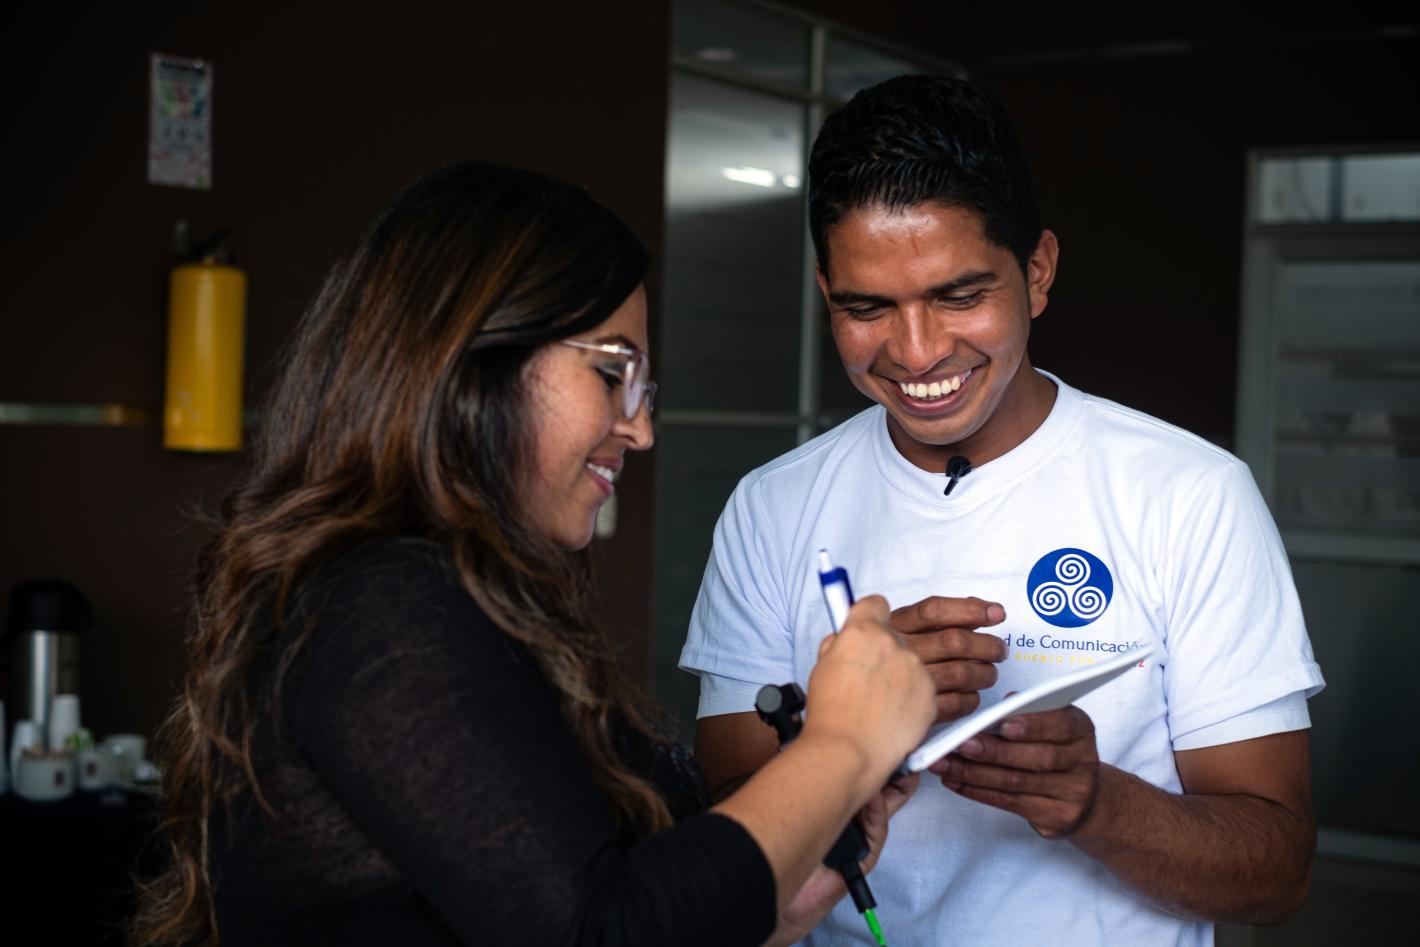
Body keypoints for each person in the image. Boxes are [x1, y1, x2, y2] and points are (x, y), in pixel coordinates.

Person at [129, 161, 937, 947]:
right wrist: (843, 744)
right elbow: (599, 927)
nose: (639, 428)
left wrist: (785, 895)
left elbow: (592, 894)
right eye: (613, 370)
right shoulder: (377, 608)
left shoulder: (467, 597)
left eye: (644, 387)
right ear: (472, 356)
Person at [680, 75, 1325, 946]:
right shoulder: (773, 506)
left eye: (958, 296)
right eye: (867, 308)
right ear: (827, 292)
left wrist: (1096, 802)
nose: (916, 353)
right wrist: (842, 737)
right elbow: (713, 854)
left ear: (1038, 272)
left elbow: (1278, 870)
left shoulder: (1189, 494)